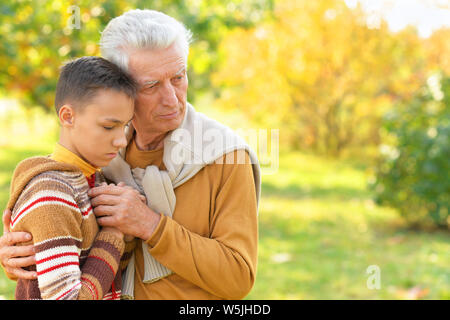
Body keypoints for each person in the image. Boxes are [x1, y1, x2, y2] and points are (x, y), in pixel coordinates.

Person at [1, 9, 261, 300]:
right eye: (151, 85)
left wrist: (150, 225)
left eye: (178, 77)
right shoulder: (99, 153)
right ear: (120, 87)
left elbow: (238, 278)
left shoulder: (226, 157)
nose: (172, 99)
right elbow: (64, 236)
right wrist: (25, 250)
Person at [2, 56, 139, 299]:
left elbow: (112, 276)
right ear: (68, 117)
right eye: (109, 127)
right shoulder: (51, 194)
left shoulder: (94, 181)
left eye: (125, 126)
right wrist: (113, 234)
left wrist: (127, 227)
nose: (121, 140)